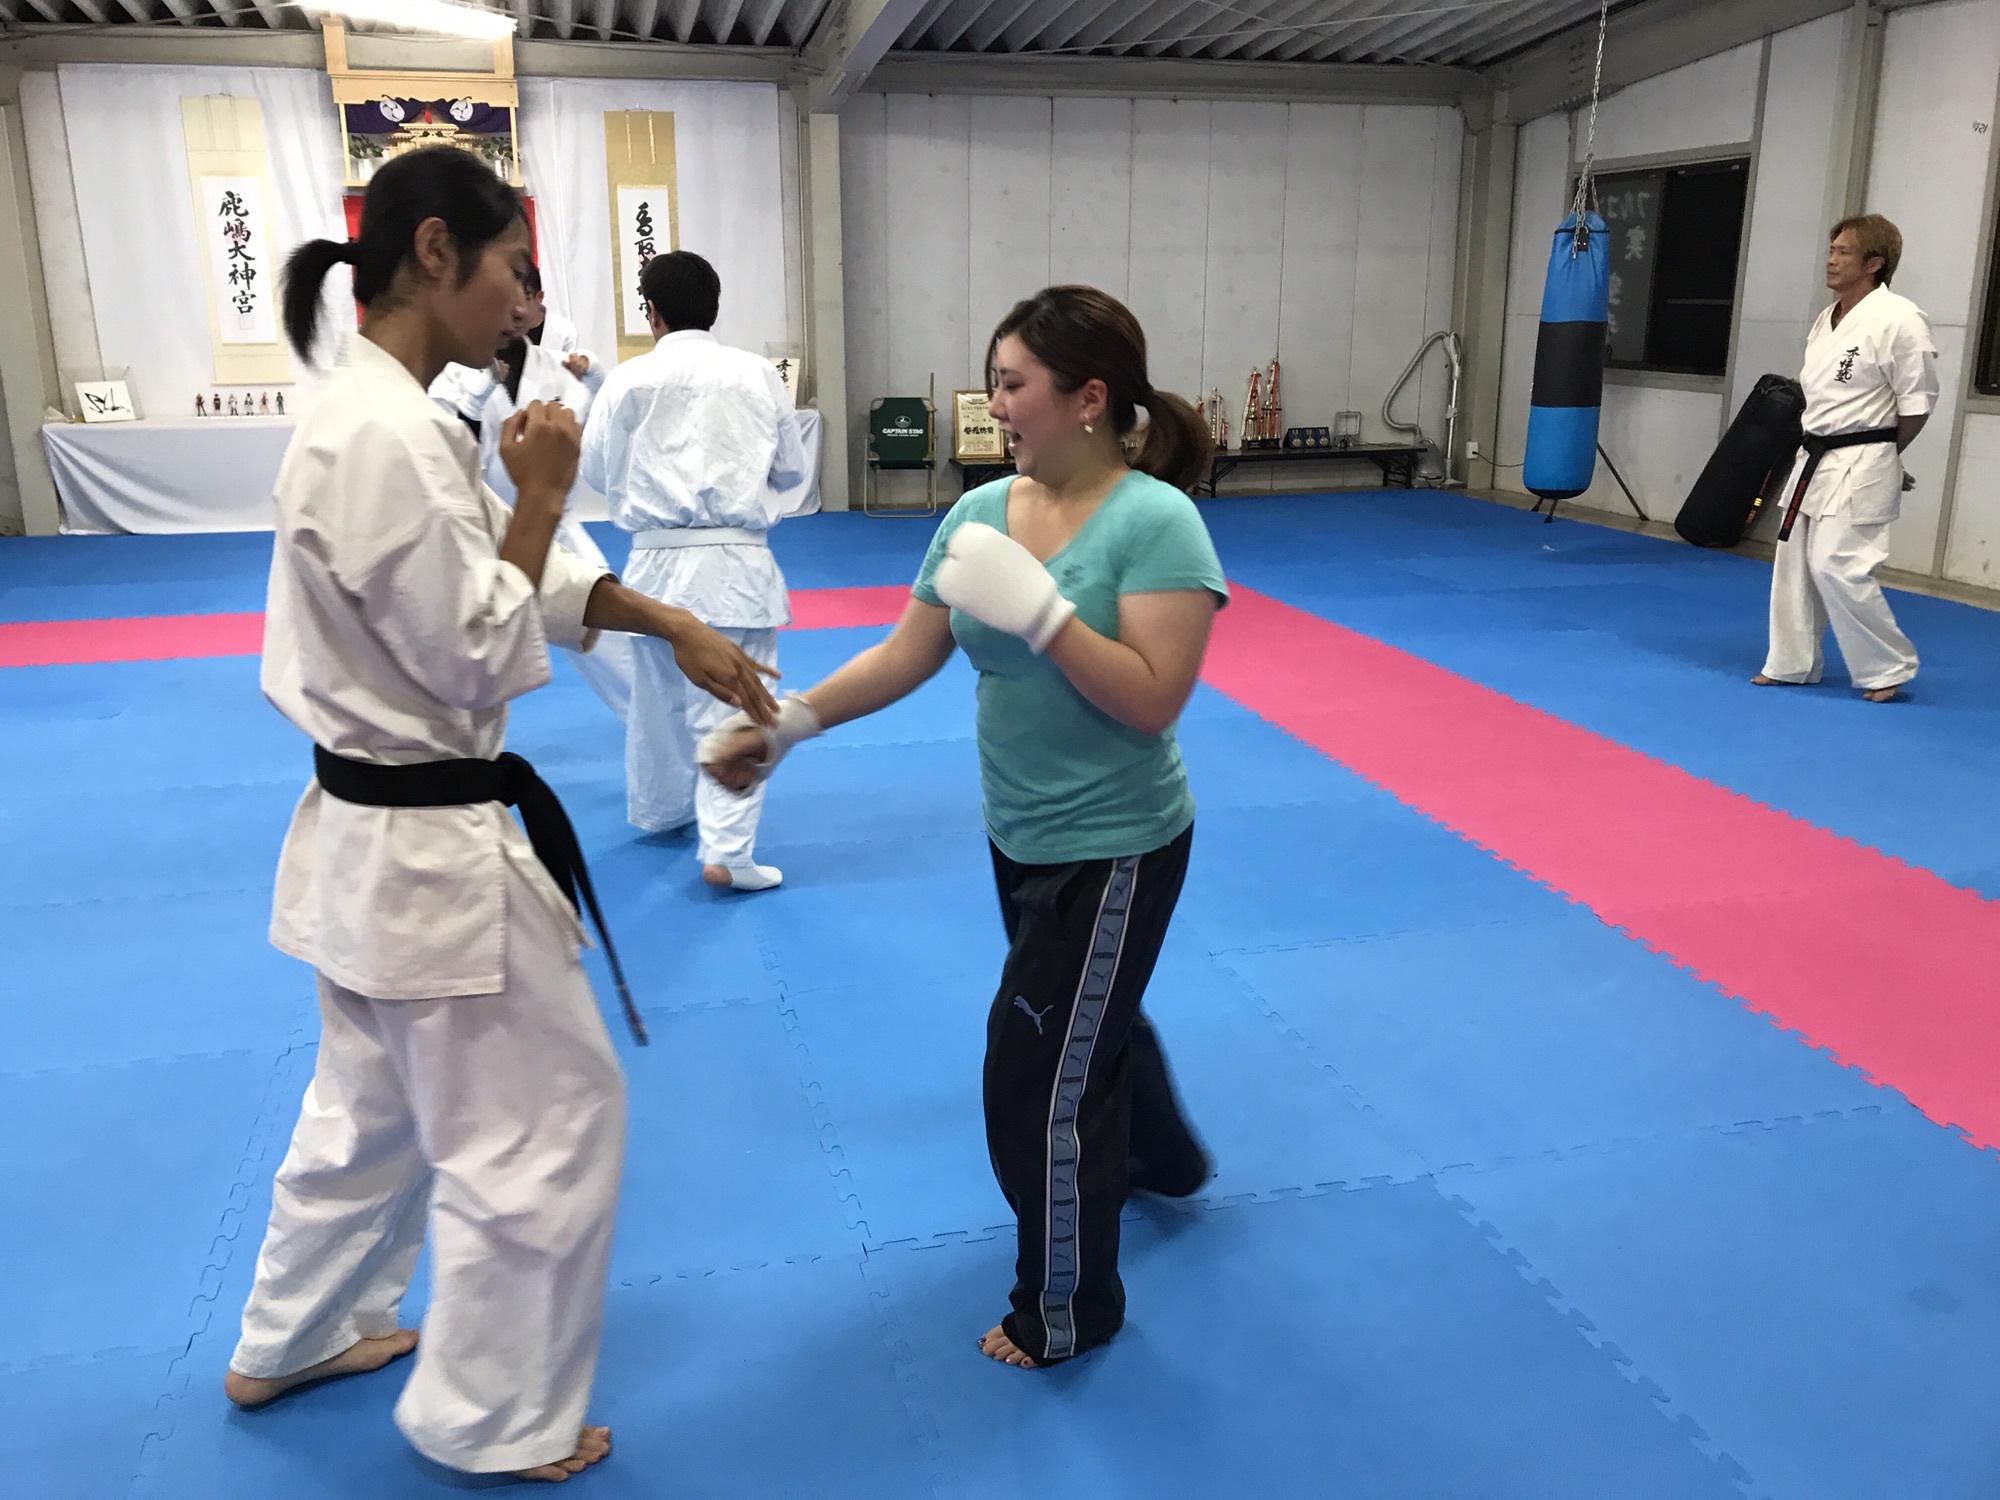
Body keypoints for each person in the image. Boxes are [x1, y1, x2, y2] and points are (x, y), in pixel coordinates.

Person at [222, 145, 778, 1482]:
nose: (525, 305)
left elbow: (518, 576)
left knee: (367, 1115)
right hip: (425, 855)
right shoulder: (381, 436)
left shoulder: (390, 418)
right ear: (434, 252)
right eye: (514, 272)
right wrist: (544, 492)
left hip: (368, 848)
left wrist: (667, 618)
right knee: (551, 1119)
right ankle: (490, 1417)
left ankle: (291, 1335)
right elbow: (476, 646)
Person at [702, 285, 1223, 1368]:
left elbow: (1152, 699)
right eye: (993, 382)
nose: (995, 405)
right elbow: (908, 653)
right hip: (1017, 830)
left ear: (1087, 399)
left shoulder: (1155, 522)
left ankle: (1067, 1310)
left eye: (1013, 384)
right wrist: (788, 726)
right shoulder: (979, 514)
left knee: (1033, 1080)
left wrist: (1042, 615)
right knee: (1086, 1023)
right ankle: (1163, 1159)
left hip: (1117, 844)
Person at [580, 249, 809, 892]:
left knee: (656, 703)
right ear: (714, 308)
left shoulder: (627, 380)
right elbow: (792, 468)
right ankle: (728, 852)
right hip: (735, 565)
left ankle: (663, 812)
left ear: (651, 312)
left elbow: (596, 469)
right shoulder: (755, 373)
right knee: (739, 704)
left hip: (653, 568)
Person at [1753, 214, 1937, 702]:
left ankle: (1888, 665)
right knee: (1794, 565)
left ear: (1874, 263)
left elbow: (1917, 404)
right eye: (1831, 250)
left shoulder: (1900, 319)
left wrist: (1887, 455)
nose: (1831, 260)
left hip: (1863, 458)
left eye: (1844, 252)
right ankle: (1791, 663)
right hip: (1815, 455)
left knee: (1837, 564)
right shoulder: (1827, 318)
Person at [472, 329, 635, 721]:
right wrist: (475, 392)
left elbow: (599, 426)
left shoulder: (558, 366)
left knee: (613, 642)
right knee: (476, 655)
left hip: (556, 529)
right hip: (488, 531)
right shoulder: (459, 373)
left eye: (527, 299)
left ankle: (654, 716)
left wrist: (595, 380)